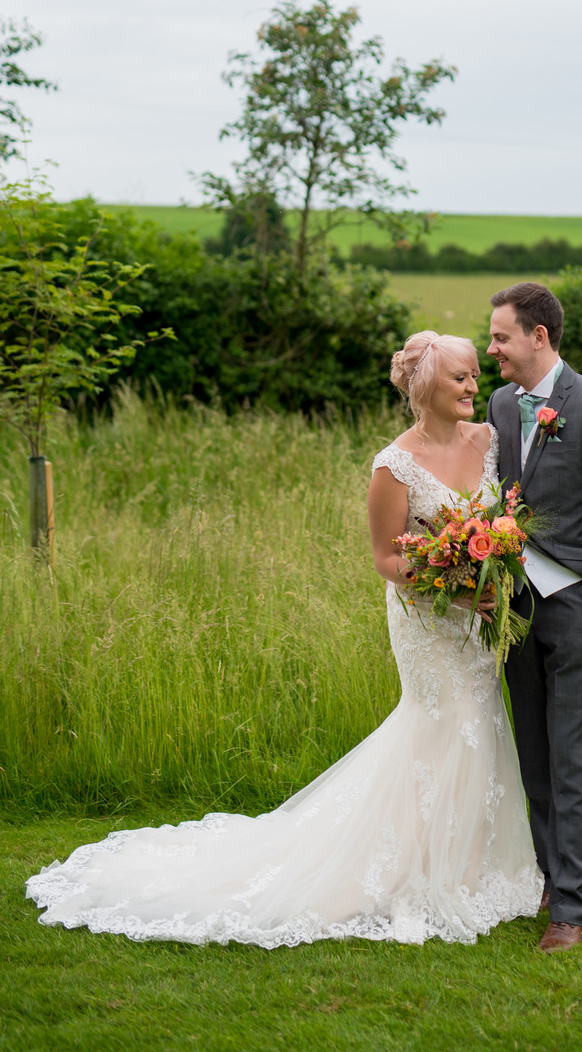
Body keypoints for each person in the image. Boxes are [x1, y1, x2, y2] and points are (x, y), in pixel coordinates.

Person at [26, 331, 542, 948]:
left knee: (479, 719)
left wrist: (491, 571)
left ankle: (470, 865)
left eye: (472, 375)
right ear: (428, 386)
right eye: (460, 376)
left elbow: (502, 518)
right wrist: (455, 588)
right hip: (428, 620)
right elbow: (385, 557)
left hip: (478, 618)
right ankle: (406, 870)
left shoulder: (489, 440)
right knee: (441, 721)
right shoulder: (393, 465)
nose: (473, 384)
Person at [486, 282, 582, 953]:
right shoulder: (499, 404)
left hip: (578, 613)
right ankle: (552, 877)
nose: (491, 348)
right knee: (536, 760)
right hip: (515, 613)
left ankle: (571, 912)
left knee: (574, 761)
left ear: (538, 338)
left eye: (500, 337)